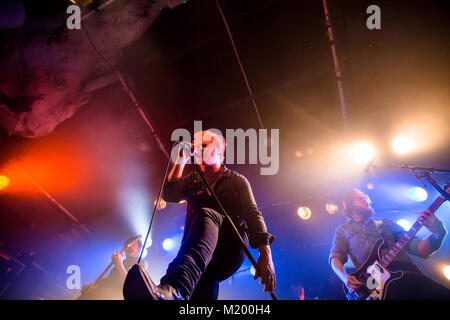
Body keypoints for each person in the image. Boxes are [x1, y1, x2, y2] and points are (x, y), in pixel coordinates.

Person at [143, 130, 276, 300]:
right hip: (198, 253)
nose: (198, 147)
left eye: (204, 144)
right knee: (201, 284)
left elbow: (253, 214)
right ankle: (171, 292)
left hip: (228, 249)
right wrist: (181, 160)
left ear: (219, 151)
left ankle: (173, 288)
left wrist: (266, 256)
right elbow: (169, 193)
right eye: (196, 144)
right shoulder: (193, 180)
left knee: (208, 214)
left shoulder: (236, 180)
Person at [329, 188, 450, 299]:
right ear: (350, 206)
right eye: (359, 198)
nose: (365, 199)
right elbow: (336, 257)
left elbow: (420, 250)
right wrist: (345, 278)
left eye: (366, 197)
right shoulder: (343, 230)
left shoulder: (387, 223)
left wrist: (438, 233)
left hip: (410, 275)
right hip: (376, 285)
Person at [79, 236, 145, 299]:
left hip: (117, 296)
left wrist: (120, 265)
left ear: (139, 250)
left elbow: (132, 283)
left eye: (133, 245)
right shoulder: (122, 262)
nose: (129, 246)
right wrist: (94, 285)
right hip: (105, 293)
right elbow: (110, 278)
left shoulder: (141, 263)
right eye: (128, 245)